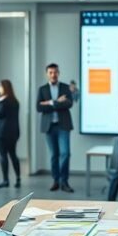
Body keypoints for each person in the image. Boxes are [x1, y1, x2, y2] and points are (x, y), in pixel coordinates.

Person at [36, 63, 74, 192]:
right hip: (49, 127)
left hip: (63, 125)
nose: (53, 75)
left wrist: (50, 103)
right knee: (54, 155)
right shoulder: (42, 89)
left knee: (65, 153)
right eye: (51, 72)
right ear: (47, 74)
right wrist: (57, 102)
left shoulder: (65, 87)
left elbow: (69, 104)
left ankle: (64, 181)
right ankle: (56, 181)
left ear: (59, 73)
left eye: (55, 72)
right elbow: (38, 107)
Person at [0, 79, 21, 188]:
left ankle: (6, 180)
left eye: (0, 86)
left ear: (5, 87)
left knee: (3, 156)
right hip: (13, 133)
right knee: (13, 155)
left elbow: (0, 114)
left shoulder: (3, 101)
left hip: (2, 133)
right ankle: (18, 178)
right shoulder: (15, 101)